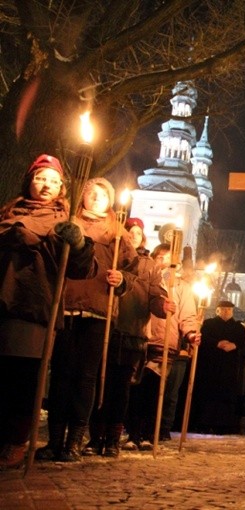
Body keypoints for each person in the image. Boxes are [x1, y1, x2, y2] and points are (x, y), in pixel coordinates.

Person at [0, 155, 95, 470]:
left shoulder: (63, 221)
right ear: (29, 181)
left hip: (34, 305)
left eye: (54, 181)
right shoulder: (8, 212)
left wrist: (79, 244)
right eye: (41, 178)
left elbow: (83, 268)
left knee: (23, 380)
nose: (47, 185)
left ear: (61, 189)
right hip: (3, 300)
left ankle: (15, 440)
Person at [37, 177, 140, 463]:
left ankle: (74, 440)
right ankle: (54, 439)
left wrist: (121, 280)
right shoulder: (68, 222)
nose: (96, 198)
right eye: (91, 193)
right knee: (60, 374)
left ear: (110, 201)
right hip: (65, 305)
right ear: (82, 197)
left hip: (97, 311)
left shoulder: (117, 233)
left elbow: (132, 270)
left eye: (102, 195)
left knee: (85, 377)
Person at [83, 217, 168, 457]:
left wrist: (163, 306)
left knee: (120, 388)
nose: (133, 236)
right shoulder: (109, 254)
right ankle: (94, 435)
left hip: (131, 330)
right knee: (99, 382)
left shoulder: (148, 265)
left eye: (138, 233)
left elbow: (154, 295)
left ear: (143, 239)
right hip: (105, 325)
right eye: (128, 232)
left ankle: (112, 438)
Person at [123, 243, 199, 450]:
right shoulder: (144, 280)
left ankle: (149, 433)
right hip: (140, 338)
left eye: (169, 259)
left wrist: (191, 333)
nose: (165, 262)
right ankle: (132, 433)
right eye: (161, 257)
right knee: (135, 388)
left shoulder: (181, 287)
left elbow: (188, 315)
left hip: (163, 343)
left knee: (154, 390)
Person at [194, 300, 245, 434]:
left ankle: (224, 425)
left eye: (229, 310)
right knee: (209, 395)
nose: (226, 312)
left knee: (227, 396)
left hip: (230, 367)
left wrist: (234, 345)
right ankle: (206, 423)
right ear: (217, 310)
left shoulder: (239, 328)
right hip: (210, 366)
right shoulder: (209, 324)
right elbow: (203, 340)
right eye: (223, 309)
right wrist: (216, 343)